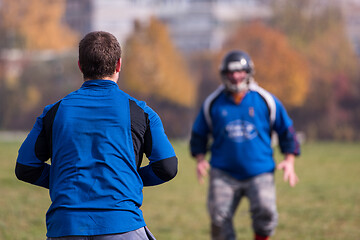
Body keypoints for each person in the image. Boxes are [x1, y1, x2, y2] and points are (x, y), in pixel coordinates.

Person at [15, 31, 178, 240]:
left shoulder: (54, 112)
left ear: (80, 65)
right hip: (122, 224)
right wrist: (127, 179)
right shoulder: (141, 112)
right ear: (118, 65)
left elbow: (25, 167)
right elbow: (167, 167)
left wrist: (64, 179)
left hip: (65, 227)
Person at [190, 50, 300, 240]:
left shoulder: (266, 100)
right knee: (218, 219)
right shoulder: (213, 103)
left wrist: (289, 161)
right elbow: (198, 134)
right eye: (230, 72)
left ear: (248, 72)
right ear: (223, 74)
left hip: (260, 171)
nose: (235, 76)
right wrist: (200, 159)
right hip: (223, 173)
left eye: (239, 71)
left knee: (266, 214)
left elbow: (286, 131)